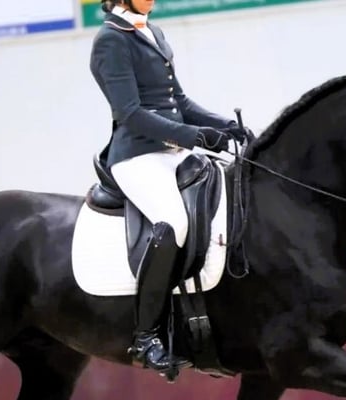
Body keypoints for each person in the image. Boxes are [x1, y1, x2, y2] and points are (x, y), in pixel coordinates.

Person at [90, 0, 248, 375]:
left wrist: (223, 126)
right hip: (136, 156)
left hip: (171, 154)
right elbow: (129, 113)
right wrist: (195, 136)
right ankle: (145, 336)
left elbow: (178, 102)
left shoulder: (153, 32)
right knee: (173, 221)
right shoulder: (111, 40)